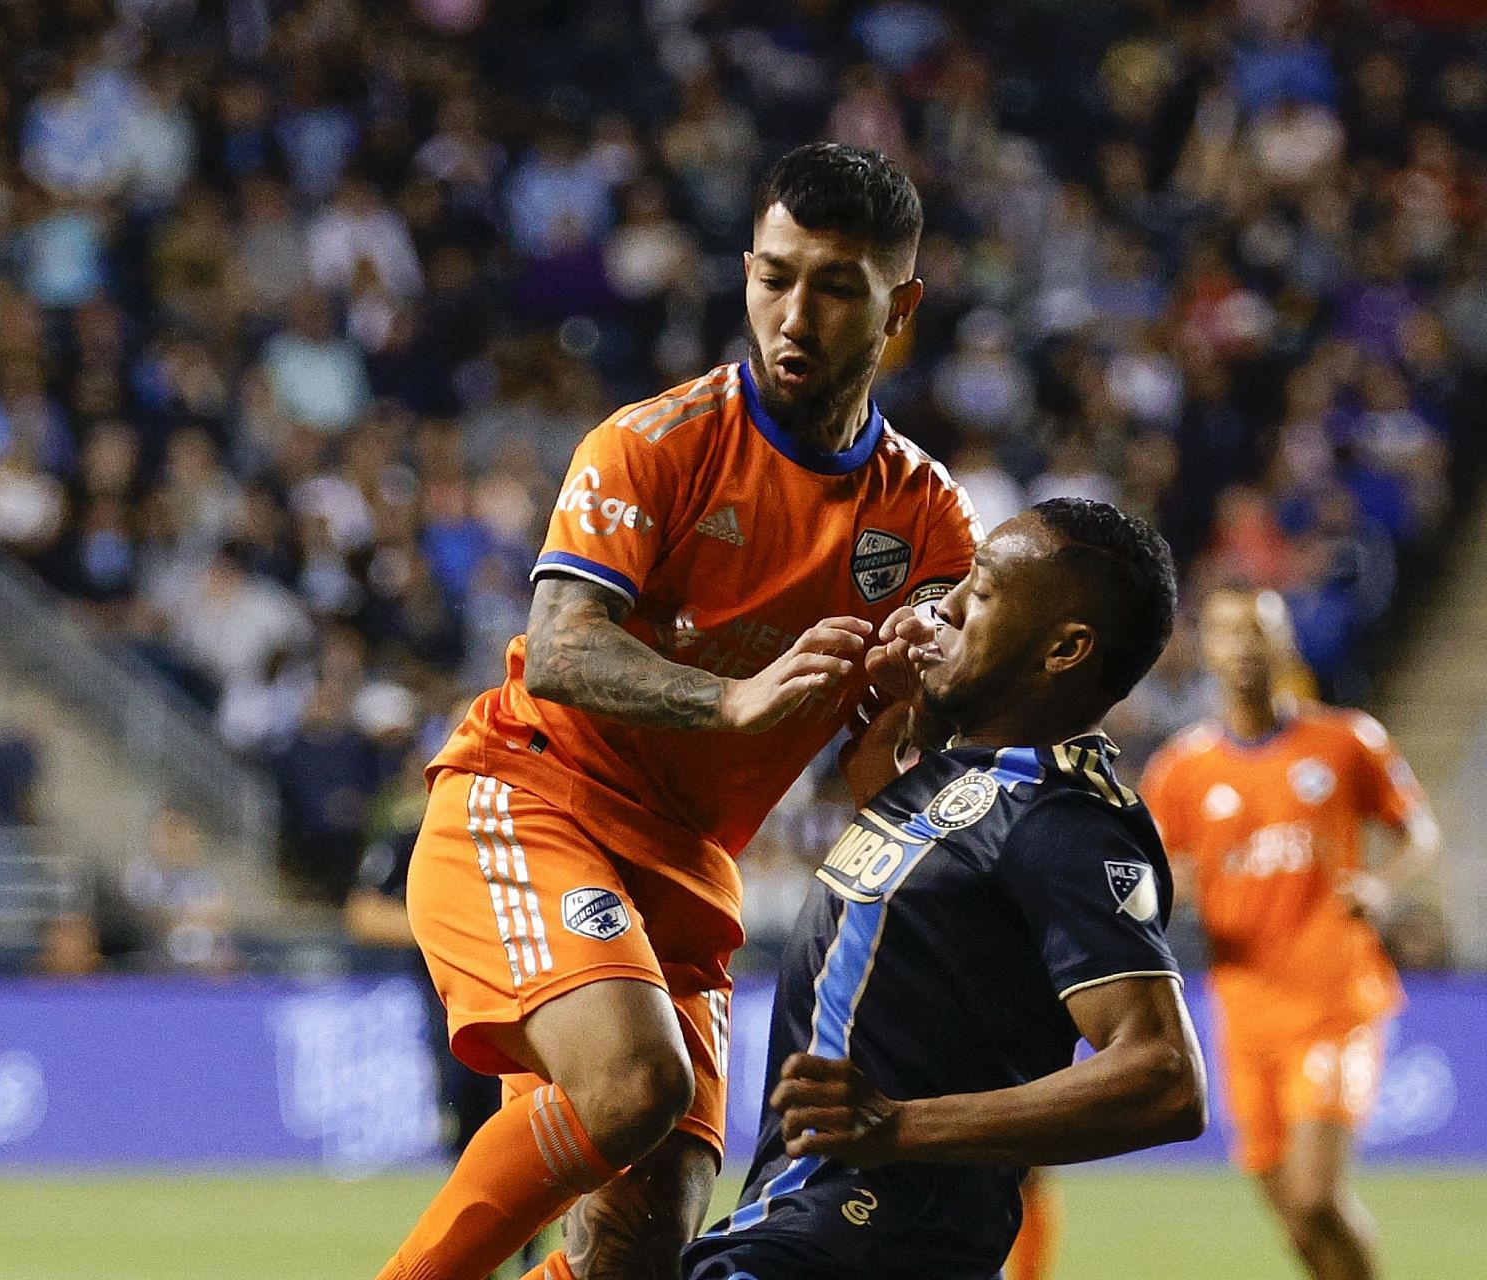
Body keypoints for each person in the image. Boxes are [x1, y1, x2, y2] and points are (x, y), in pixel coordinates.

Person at [378, 142, 982, 1280]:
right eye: (775, 275)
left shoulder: (928, 517)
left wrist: (914, 700)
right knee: (636, 1083)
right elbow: (559, 652)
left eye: (836, 286)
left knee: (644, 1239)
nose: (794, 313)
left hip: (683, 873)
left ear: (899, 308)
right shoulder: (653, 443)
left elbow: (879, 779)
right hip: (533, 798)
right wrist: (736, 698)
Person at [684, 498, 1207, 1280]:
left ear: (1064, 649)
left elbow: (1164, 1077)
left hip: (863, 1245)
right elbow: (910, 904)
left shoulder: (1065, 820)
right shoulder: (970, 780)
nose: (950, 604)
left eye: (985, 591)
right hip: (806, 1229)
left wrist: (898, 1127)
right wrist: (905, 713)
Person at [1140, 588, 1439, 1280]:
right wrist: (1170, 895)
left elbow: (1417, 831)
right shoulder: (1182, 769)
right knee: (1289, 1212)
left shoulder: (1345, 742)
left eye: (1258, 631)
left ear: (1284, 645)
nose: (1243, 647)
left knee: (1314, 1194)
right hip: (1245, 1011)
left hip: (1335, 999)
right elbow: (1153, 875)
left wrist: (1382, 887)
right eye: (1227, 633)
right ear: (1205, 650)